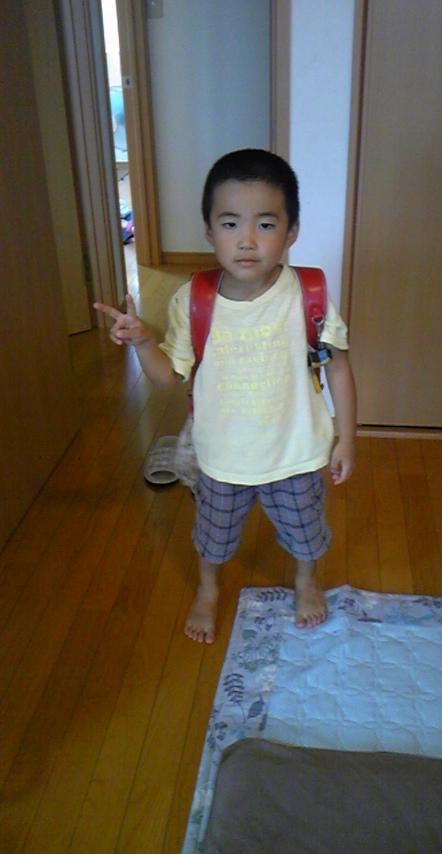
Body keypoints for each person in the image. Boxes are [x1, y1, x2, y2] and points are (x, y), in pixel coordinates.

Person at [94, 149, 356, 645]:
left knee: (305, 532)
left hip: (296, 453)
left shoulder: (310, 294)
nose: (247, 240)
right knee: (213, 537)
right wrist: (144, 342)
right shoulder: (193, 299)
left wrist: (347, 437)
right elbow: (168, 379)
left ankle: (306, 580)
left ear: (292, 231)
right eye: (231, 223)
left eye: (266, 224)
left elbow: (338, 367)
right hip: (220, 458)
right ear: (209, 231)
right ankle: (208, 589)